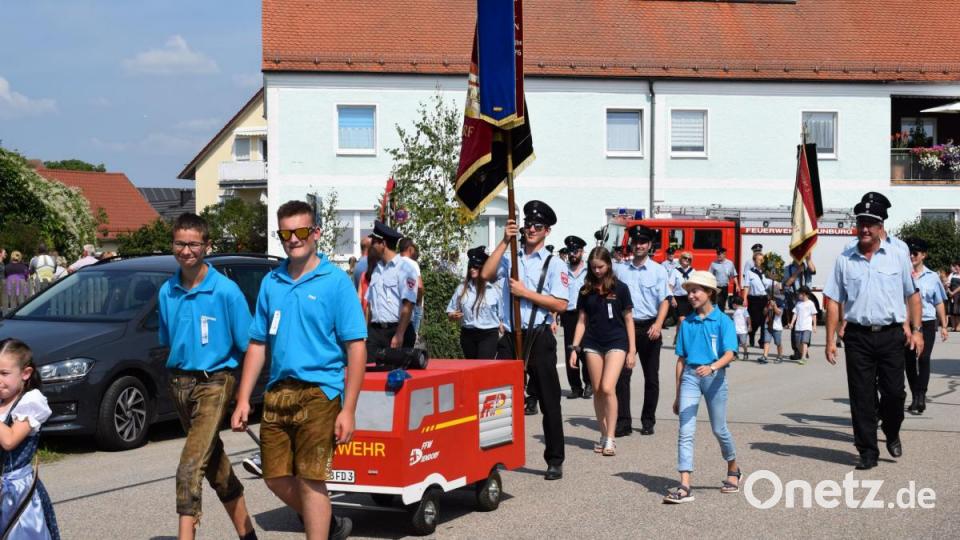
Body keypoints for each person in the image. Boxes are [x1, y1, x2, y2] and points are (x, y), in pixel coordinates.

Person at [232, 200, 364, 539]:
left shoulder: (335, 282)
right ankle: (329, 525)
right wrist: (244, 398)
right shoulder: (271, 282)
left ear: (315, 233)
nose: (294, 239)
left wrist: (348, 409)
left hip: (321, 391)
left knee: (310, 477)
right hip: (279, 391)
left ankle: (320, 530)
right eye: (286, 233)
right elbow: (258, 343)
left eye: (301, 231)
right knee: (274, 476)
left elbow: (356, 347)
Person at [157, 213, 257, 540]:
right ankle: (248, 535)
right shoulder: (166, 291)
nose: (186, 250)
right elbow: (168, 340)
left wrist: (243, 397)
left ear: (207, 246)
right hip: (179, 383)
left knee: (189, 467)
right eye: (180, 243)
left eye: (193, 244)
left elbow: (248, 345)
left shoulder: (226, 291)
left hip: (215, 381)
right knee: (216, 466)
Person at [824, 196, 921, 471]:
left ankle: (891, 431)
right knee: (861, 396)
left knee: (895, 395)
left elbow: (912, 294)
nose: (864, 228)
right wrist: (830, 340)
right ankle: (867, 450)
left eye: (870, 224)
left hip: (891, 335)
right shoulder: (845, 259)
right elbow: (832, 300)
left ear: (881, 227)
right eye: (861, 223)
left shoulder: (897, 256)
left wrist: (916, 330)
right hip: (857, 337)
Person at [481, 200, 569, 480]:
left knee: (549, 400)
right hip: (510, 335)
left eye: (537, 226)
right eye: (528, 225)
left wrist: (525, 293)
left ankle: (555, 459)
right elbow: (485, 273)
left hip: (539, 336)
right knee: (497, 399)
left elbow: (561, 304)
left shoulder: (554, 263)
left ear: (547, 231)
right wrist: (505, 242)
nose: (531, 229)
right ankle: (493, 457)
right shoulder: (511, 256)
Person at [664, 271, 740, 504]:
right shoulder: (686, 323)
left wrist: (713, 367)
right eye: (689, 291)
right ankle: (685, 484)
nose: (691, 295)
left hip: (715, 378)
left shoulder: (723, 321)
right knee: (685, 430)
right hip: (690, 378)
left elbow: (730, 354)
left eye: (696, 291)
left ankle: (733, 469)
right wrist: (677, 394)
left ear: (709, 293)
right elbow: (681, 360)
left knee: (719, 429)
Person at [567, 247, 635, 456]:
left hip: (617, 341)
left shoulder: (620, 288)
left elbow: (629, 319)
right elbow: (581, 321)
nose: (597, 271)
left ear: (609, 265)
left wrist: (632, 350)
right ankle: (603, 433)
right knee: (597, 389)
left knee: (607, 387)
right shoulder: (585, 290)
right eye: (593, 267)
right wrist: (574, 348)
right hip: (592, 342)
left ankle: (612, 438)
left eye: (601, 267)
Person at [0, 338, 61, 539]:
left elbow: (9, 441)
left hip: (16, 492)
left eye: (4, 374)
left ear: (25, 374)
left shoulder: (30, 402)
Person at [613, 225, 670, 437]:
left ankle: (648, 420)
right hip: (626, 328)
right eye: (636, 242)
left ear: (649, 245)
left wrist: (658, 323)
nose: (639, 246)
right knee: (622, 376)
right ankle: (623, 421)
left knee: (651, 377)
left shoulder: (658, 270)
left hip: (650, 328)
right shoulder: (620, 270)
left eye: (643, 242)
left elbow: (665, 300)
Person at [903, 238, 949, 415]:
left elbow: (939, 302)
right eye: (910, 253)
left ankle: (921, 395)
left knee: (923, 358)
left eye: (916, 253)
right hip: (907, 322)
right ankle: (915, 395)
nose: (912, 256)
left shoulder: (932, 277)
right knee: (908, 361)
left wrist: (944, 325)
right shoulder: (902, 274)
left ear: (923, 255)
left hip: (928, 322)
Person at [366, 222, 418, 355]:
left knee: (397, 375)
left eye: (374, 242)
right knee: (371, 373)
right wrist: (365, 332)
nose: (371, 246)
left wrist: (399, 334)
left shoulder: (405, 268)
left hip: (397, 330)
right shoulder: (376, 269)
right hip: (375, 332)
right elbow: (369, 305)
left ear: (383, 244)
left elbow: (408, 304)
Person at [447, 246, 501, 359]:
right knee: (472, 369)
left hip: (488, 334)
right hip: (468, 334)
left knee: (483, 368)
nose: (472, 269)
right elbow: (451, 312)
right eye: (470, 266)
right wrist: (453, 316)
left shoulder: (495, 289)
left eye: (476, 266)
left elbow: (503, 316)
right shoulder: (462, 288)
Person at [560, 235, 591, 399]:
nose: (572, 254)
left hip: (586, 315)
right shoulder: (562, 270)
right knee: (570, 351)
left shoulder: (589, 270)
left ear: (581, 252)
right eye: (569, 251)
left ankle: (589, 383)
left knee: (586, 351)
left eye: (575, 251)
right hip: (569, 314)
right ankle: (575, 387)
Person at [783, 256, 816, 359]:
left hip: (806, 298)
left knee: (806, 325)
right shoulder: (788, 268)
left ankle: (804, 349)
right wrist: (798, 271)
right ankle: (797, 350)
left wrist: (808, 258)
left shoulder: (807, 266)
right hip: (794, 298)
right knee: (795, 327)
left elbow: (813, 270)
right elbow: (786, 284)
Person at [742, 251, 772, 348]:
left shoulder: (766, 272)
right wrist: (745, 298)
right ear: (754, 261)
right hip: (753, 299)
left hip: (764, 299)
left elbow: (770, 284)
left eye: (762, 260)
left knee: (764, 321)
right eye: (759, 260)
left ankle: (762, 341)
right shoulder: (749, 272)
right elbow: (746, 286)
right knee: (755, 321)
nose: (761, 261)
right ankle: (752, 334)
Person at [398, 237, 425, 336]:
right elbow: (420, 286)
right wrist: (418, 301)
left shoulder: (394, 262)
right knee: (411, 341)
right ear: (410, 249)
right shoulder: (413, 264)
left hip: (398, 310)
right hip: (412, 308)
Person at [669, 251, 695, 342]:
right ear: (681, 259)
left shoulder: (693, 271)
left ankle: (679, 335)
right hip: (678, 298)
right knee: (682, 319)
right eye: (685, 258)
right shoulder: (675, 271)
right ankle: (680, 337)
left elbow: (695, 285)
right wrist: (672, 298)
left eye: (689, 259)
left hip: (689, 298)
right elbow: (670, 286)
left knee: (688, 320)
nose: (687, 260)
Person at [787, 287, 817, 365]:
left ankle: (803, 357)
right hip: (798, 327)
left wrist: (814, 326)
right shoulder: (798, 304)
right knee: (797, 344)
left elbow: (814, 315)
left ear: (804, 294)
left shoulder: (810, 303)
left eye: (799, 293)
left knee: (804, 342)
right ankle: (804, 352)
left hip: (807, 327)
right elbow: (795, 314)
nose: (798, 295)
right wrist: (792, 323)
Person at [709, 247, 738, 312]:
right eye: (717, 254)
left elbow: (734, 275)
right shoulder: (713, 264)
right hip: (717, 288)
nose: (718, 255)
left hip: (725, 287)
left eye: (720, 254)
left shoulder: (730, 263)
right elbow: (710, 275)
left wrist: (737, 285)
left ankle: (720, 316)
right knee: (718, 303)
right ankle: (718, 317)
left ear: (724, 254)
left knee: (723, 303)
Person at [761, 297, 785, 364]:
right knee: (766, 341)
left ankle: (780, 356)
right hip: (767, 326)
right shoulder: (767, 305)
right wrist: (768, 307)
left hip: (777, 328)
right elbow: (764, 313)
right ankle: (765, 356)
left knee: (778, 343)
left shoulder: (780, 307)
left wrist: (774, 306)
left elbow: (778, 313)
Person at [731, 296, 750, 362]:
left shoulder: (744, 310)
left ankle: (745, 353)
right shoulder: (735, 311)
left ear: (735, 304)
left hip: (743, 330)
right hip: (735, 330)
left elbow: (748, 318)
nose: (732, 306)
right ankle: (736, 355)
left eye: (732, 304)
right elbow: (733, 320)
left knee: (743, 343)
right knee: (736, 344)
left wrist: (749, 325)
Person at [948, 261, 960, 332]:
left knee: (958, 311)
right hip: (951, 294)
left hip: (958, 295)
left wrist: (953, 292)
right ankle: (953, 326)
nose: (955, 267)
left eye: (957, 266)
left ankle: (958, 326)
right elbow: (947, 283)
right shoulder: (952, 274)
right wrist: (949, 291)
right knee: (952, 311)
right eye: (955, 266)